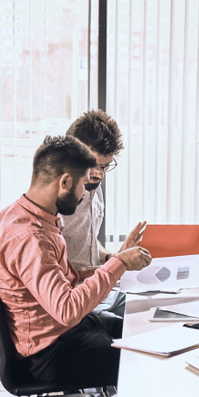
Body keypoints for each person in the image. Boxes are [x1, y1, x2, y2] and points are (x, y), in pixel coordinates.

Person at [0, 136, 153, 397]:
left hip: (58, 331)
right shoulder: (28, 237)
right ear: (64, 181)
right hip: (47, 351)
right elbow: (66, 308)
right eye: (82, 186)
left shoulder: (25, 215)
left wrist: (113, 260)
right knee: (147, 362)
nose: (84, 194)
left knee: (143, 333)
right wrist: (119, 264)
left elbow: (67, 283)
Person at [63, 110, 147, 317]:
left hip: (99, 288)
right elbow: (57, 276)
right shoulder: (58, 201)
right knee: (133, 325)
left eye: (105, 166)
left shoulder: (94, 188)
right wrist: (119, 264)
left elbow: (86, 241)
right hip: (75, 298)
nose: (99, 174)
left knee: (154, 306)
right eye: (94, 166)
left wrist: (112, 257)